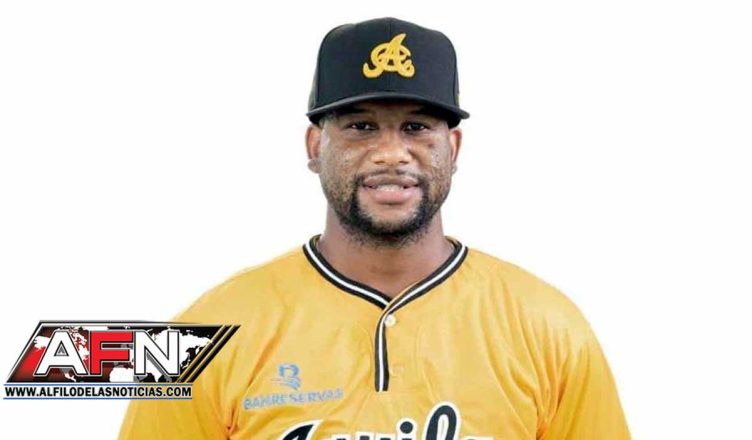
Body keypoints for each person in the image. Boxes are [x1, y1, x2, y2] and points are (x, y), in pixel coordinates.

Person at [119, 17, 630, 439]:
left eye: (416, 127)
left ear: (452, 149)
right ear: (315, 147)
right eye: (361, 127)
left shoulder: (549, 327)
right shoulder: (203, 333)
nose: (391, 153)